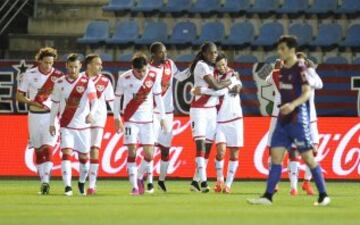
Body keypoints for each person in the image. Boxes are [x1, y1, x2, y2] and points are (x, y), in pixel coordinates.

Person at [247, 36, 330, 206]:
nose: (280, 52)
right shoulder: (282, 70)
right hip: (282, 120)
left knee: (308, 158)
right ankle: (268, 196)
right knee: (276, 156)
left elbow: (307, 92)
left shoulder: (301, 68)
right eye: (279, 49)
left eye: (283, 48)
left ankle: (323, 195)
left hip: (298, 119)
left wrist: (292, 105)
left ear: (292, 50)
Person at [113, 53, 167, 196]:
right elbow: (117, 99)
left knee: (149, 155)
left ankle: (138, 177)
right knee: (132, 152)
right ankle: (134, 187)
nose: (142, 74)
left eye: (144, 70)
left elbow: (158, 97)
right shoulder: (124, 78)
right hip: (130, 120)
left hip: (148, 121)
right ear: (132, 68)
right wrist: (117, 117)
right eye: (138, 71)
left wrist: (162, 117)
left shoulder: (153, 76)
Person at [49, 53, 99, 196]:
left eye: (75, 67)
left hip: (83, 127)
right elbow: (55, 104)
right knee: (66, 154)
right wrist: (52, 123)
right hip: (66, 125)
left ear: (80, 67)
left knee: (84, 159)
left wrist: (91, 114)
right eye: (70, 67)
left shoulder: (87, 82)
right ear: (66, 66)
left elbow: (94, 101)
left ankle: (82, 181)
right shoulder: (59, 83)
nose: (72, 70)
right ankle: (68, 187)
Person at [192, 52, 242, 193]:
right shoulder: (211, 77)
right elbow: (217, 89)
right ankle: (220, 181)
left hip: (235, 117)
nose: (223, 67)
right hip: (219, 119)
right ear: (215, 66)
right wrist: (208, 89)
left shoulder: (232, 74)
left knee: (234, 154)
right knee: (220, 152)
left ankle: (228, 185)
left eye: (225, 64)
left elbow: (236, 89)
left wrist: (202, 91)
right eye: (220, 65)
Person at [16, 47, 64, 195]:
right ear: (39, 61)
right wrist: (32, 102)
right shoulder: (29, 74)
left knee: (48, 148)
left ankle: (45, 182)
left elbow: (63, 98)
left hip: (50, 117)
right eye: (45, 62)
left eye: (51, 63)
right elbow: (19, 96)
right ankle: (42, 179)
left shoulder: (59, 76)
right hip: (34, 116)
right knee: (38, 150)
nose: (48, 66)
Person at [189, 42, 232, 193]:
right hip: (199, 110)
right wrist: (226, 83)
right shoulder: (202, 65)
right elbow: (217, 87)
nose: (214, 55)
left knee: (207, 148)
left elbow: (221, 91)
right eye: (212, 53)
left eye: (216, 53)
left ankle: (195, 181)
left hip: (212, 111)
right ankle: (204, 182)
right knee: (200, 145)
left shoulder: (217, 70)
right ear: (205, 53)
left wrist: (204, 90)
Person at [148, 42, 191, 193]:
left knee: (165, 150)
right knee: (150, 148)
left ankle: (161, 180)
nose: (165, 54)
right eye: (161, 52)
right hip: (152, 112)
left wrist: (193, 67)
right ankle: (148, 181)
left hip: (168, 113)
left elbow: (180, 77)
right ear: (153, 54)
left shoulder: (170, 64)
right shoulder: (147, 69)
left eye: (165, 51)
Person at [82, 54, 115, 195]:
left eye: (101, 64)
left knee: (94, 149)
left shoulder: (105, 81)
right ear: (88, 65)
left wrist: (117, 118)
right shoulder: (78, 79)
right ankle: (80, 182)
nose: (101, 66)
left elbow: (112, 101)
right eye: (97, 64)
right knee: (83, 153)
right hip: (78, 119)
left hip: (98, 118)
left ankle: (92, 185)